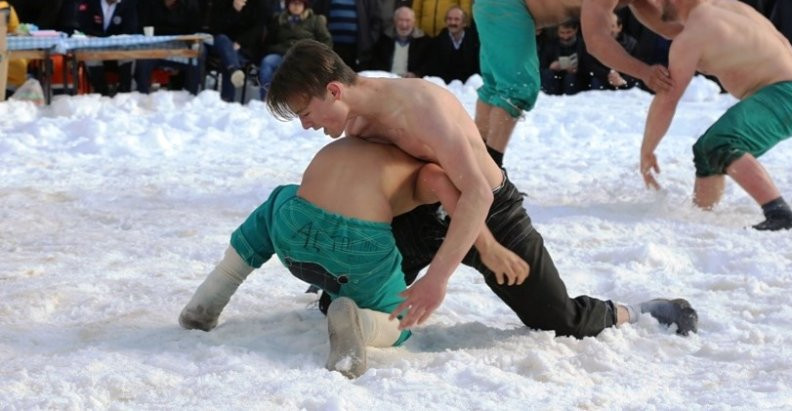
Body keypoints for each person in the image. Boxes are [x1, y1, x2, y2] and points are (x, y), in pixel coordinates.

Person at [264, 40, 697, 339]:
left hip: (489, 210)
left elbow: (476, 194)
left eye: (305, 112)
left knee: (556, 320)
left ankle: (640, 311)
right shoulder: (353, 123)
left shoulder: (420, 108)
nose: (306, 125)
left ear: (334, 89)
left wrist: (440, 277)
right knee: (340, 311)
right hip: (421, 214)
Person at [179, 137, 531, 378]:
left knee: (277, 202)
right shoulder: (428, 167)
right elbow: (457, 201)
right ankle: (361, 325)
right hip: (359, 256)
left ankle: (207, 301)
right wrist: (487, 244)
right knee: (402, 320)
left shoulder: (362, 138)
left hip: (293, 238)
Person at [640, 0, 792, 233]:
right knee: (706, 150)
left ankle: (781, 215)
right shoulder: (732, 7)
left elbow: (668, 98)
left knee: (721, 142)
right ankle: (702, 216)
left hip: (782, 96)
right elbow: (780, 42)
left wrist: (648, 149)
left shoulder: (691, 37)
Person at [473, 0, 672, 168]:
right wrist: (645, 72)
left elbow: (665, 25)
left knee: (497, 87)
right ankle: (489, 174)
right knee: (518, 87)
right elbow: (597, 43)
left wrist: (707, 33)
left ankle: (474, 164)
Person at [258, 0, 330, 97]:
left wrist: (319, 56)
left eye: (299, 3)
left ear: (304, 5)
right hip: (282, 54)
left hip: (306, 56)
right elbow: (269, 41)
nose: (296, 6)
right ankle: (267, 97)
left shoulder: (315, 20)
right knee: (267, 62)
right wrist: (279, 49)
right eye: (293, 3)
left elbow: (326, 40)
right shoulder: (279, 19)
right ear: (288, 4)